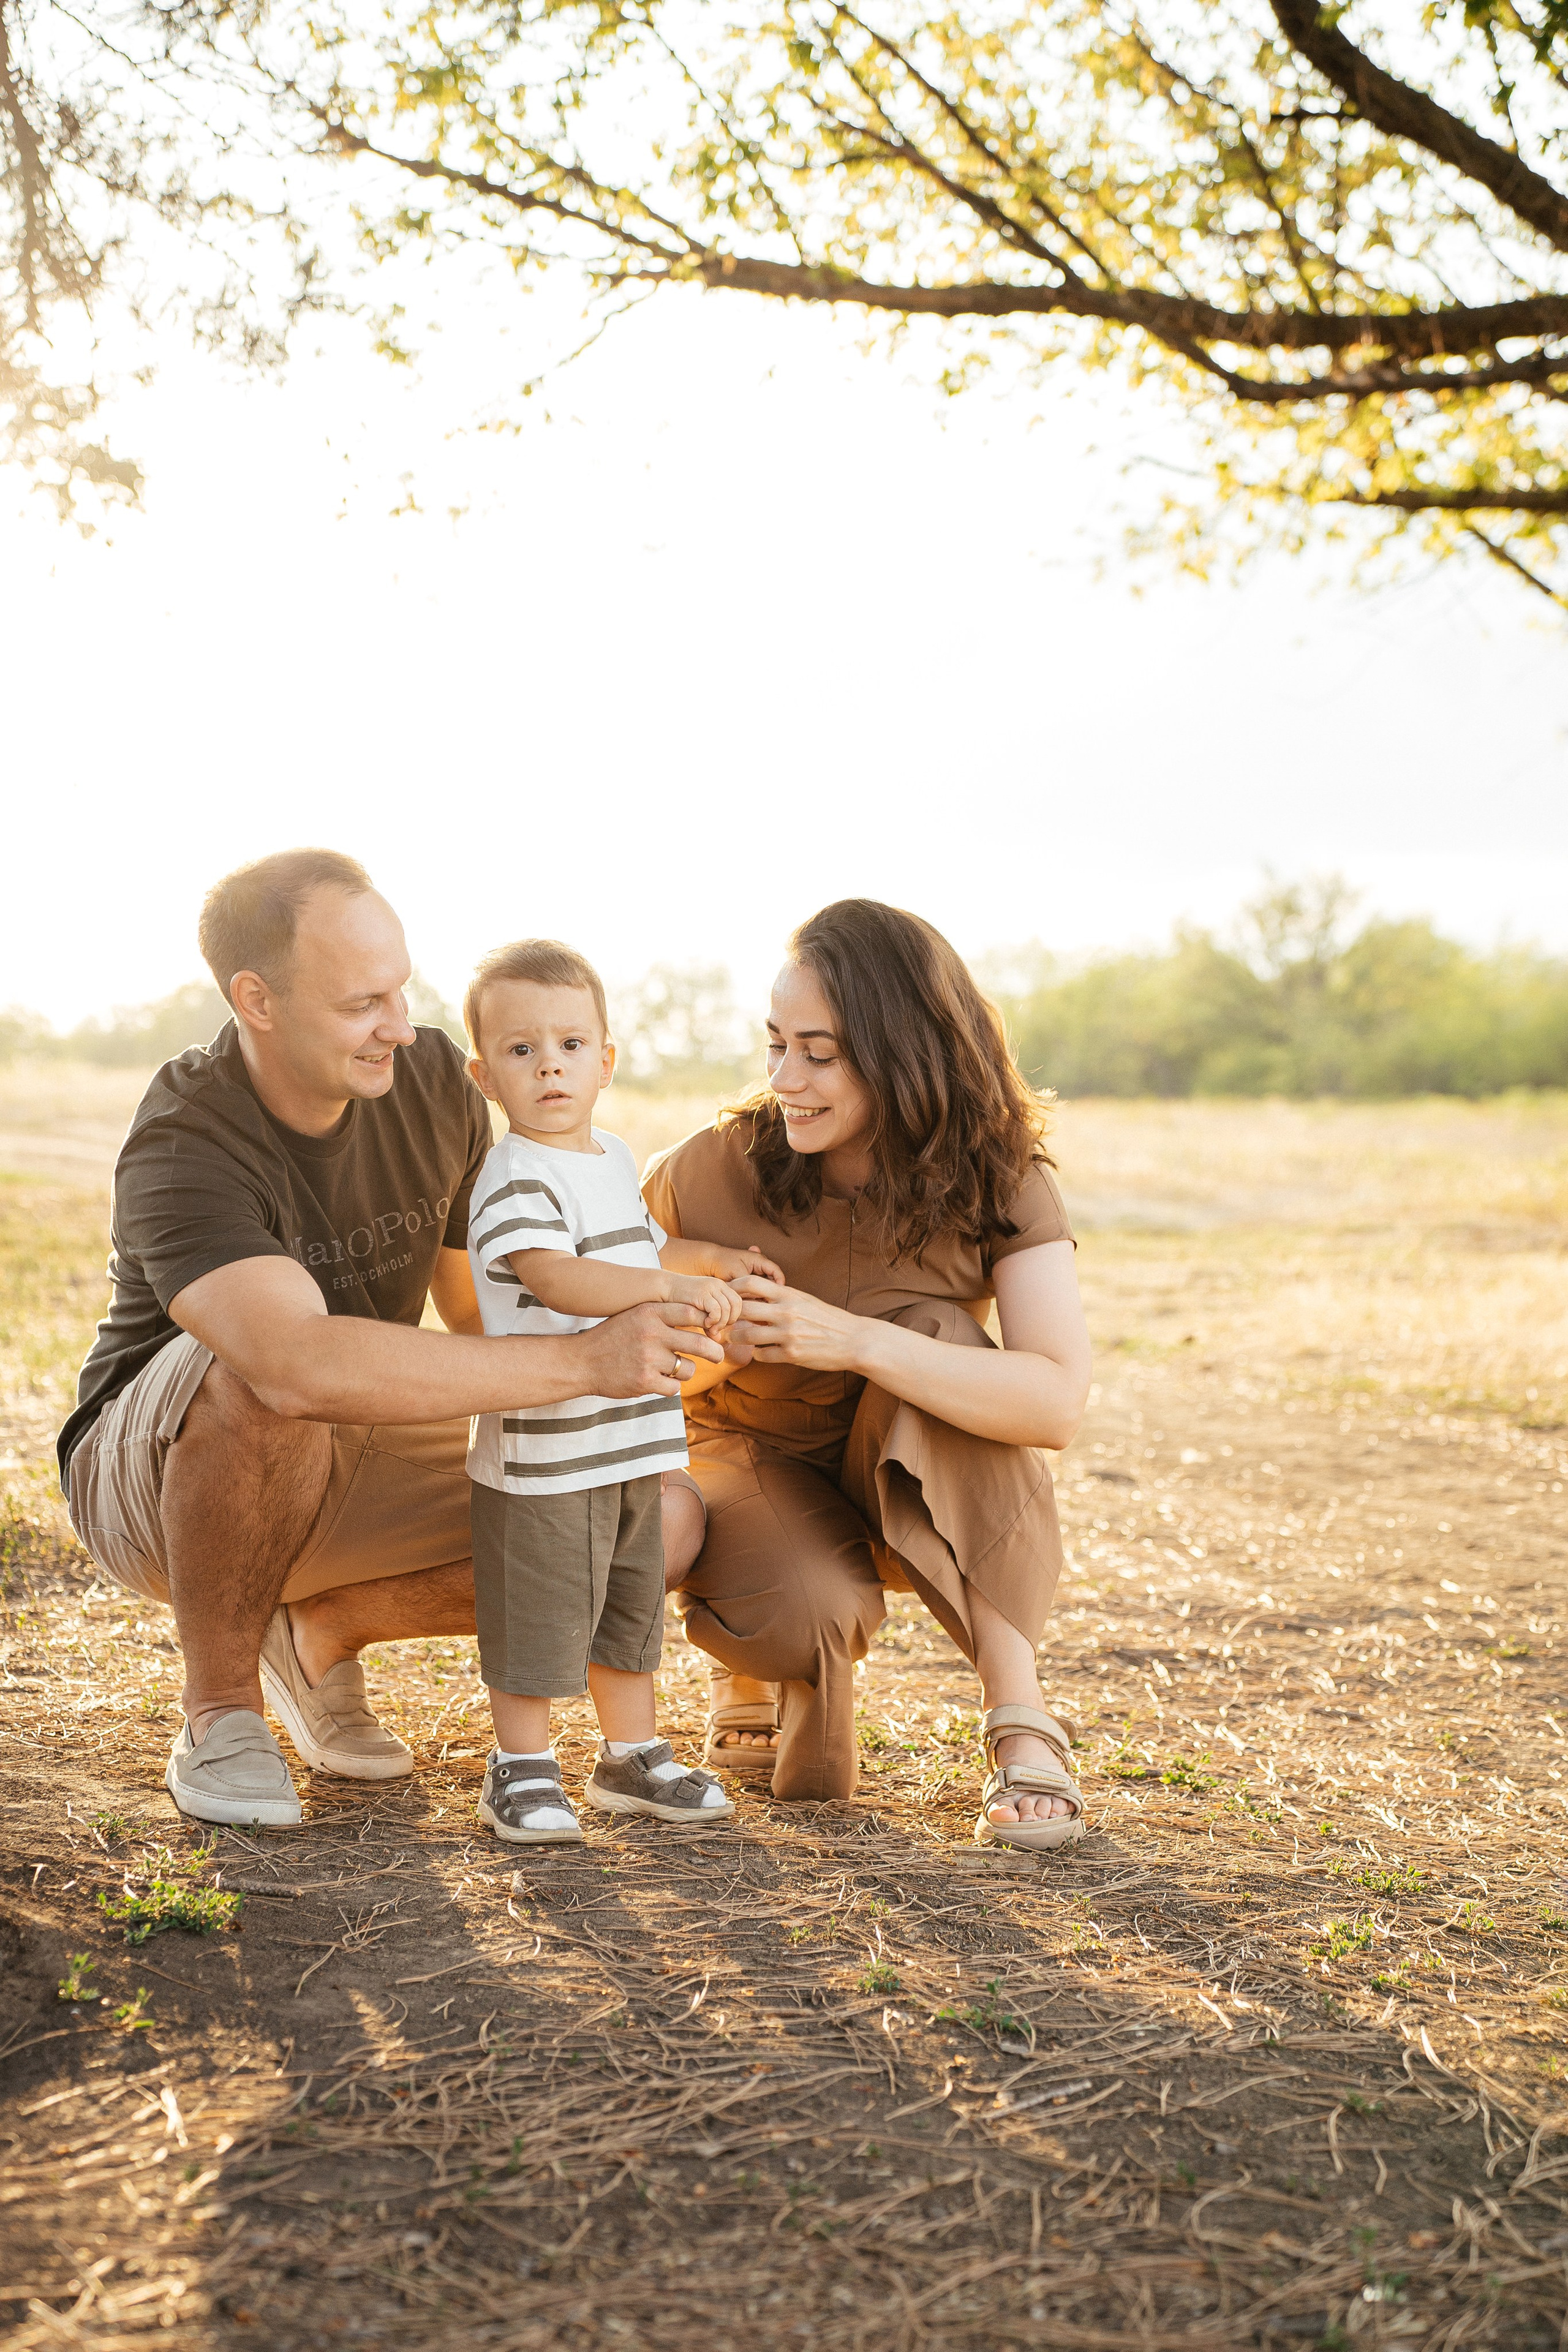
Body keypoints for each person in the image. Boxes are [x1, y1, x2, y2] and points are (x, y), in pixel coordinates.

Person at [58, 850, 721, 1829]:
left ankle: (320, 1631)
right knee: (265, 1378)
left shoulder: (428, 1085)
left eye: (403, 989)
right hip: (156, 1480)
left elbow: (473, 1313)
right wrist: (586, 1359)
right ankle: (223, 1708)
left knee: (657, 1511)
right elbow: (294, 1362)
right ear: (258, 999)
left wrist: (679, 1306)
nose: (402, 1027)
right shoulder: (186, 1140)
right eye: (365, 1002)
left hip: (349, 1436)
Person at [643, 899, 1095, 1852]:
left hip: (916, 1478)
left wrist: (850, 1339)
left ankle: (1020, 1717)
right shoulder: (705, 1171)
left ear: (904, 1052)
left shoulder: (1001, 1176)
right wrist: (717, 1347)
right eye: (775, 1045)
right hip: (752, 1457)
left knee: (938, 1340)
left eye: (820, 1052)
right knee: (809, 1618)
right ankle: (752, 1667)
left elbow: (1055, 1401)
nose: (784, 1080)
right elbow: (621, 1378)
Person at [460, 937, 782, 1843]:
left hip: (633, 1438)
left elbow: (641, 1253)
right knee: (537, 1613)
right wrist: (670, 1289)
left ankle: (628, 1755)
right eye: (522, 1050)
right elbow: (557, 1278)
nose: (549, 1066)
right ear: (488, 1076)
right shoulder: (514, 1174)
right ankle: (519, 1767)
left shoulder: (609, 1158)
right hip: (546, 1453)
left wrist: (705, 1264)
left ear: (605, 1062)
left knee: (626, 1605)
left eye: (569, 1046)